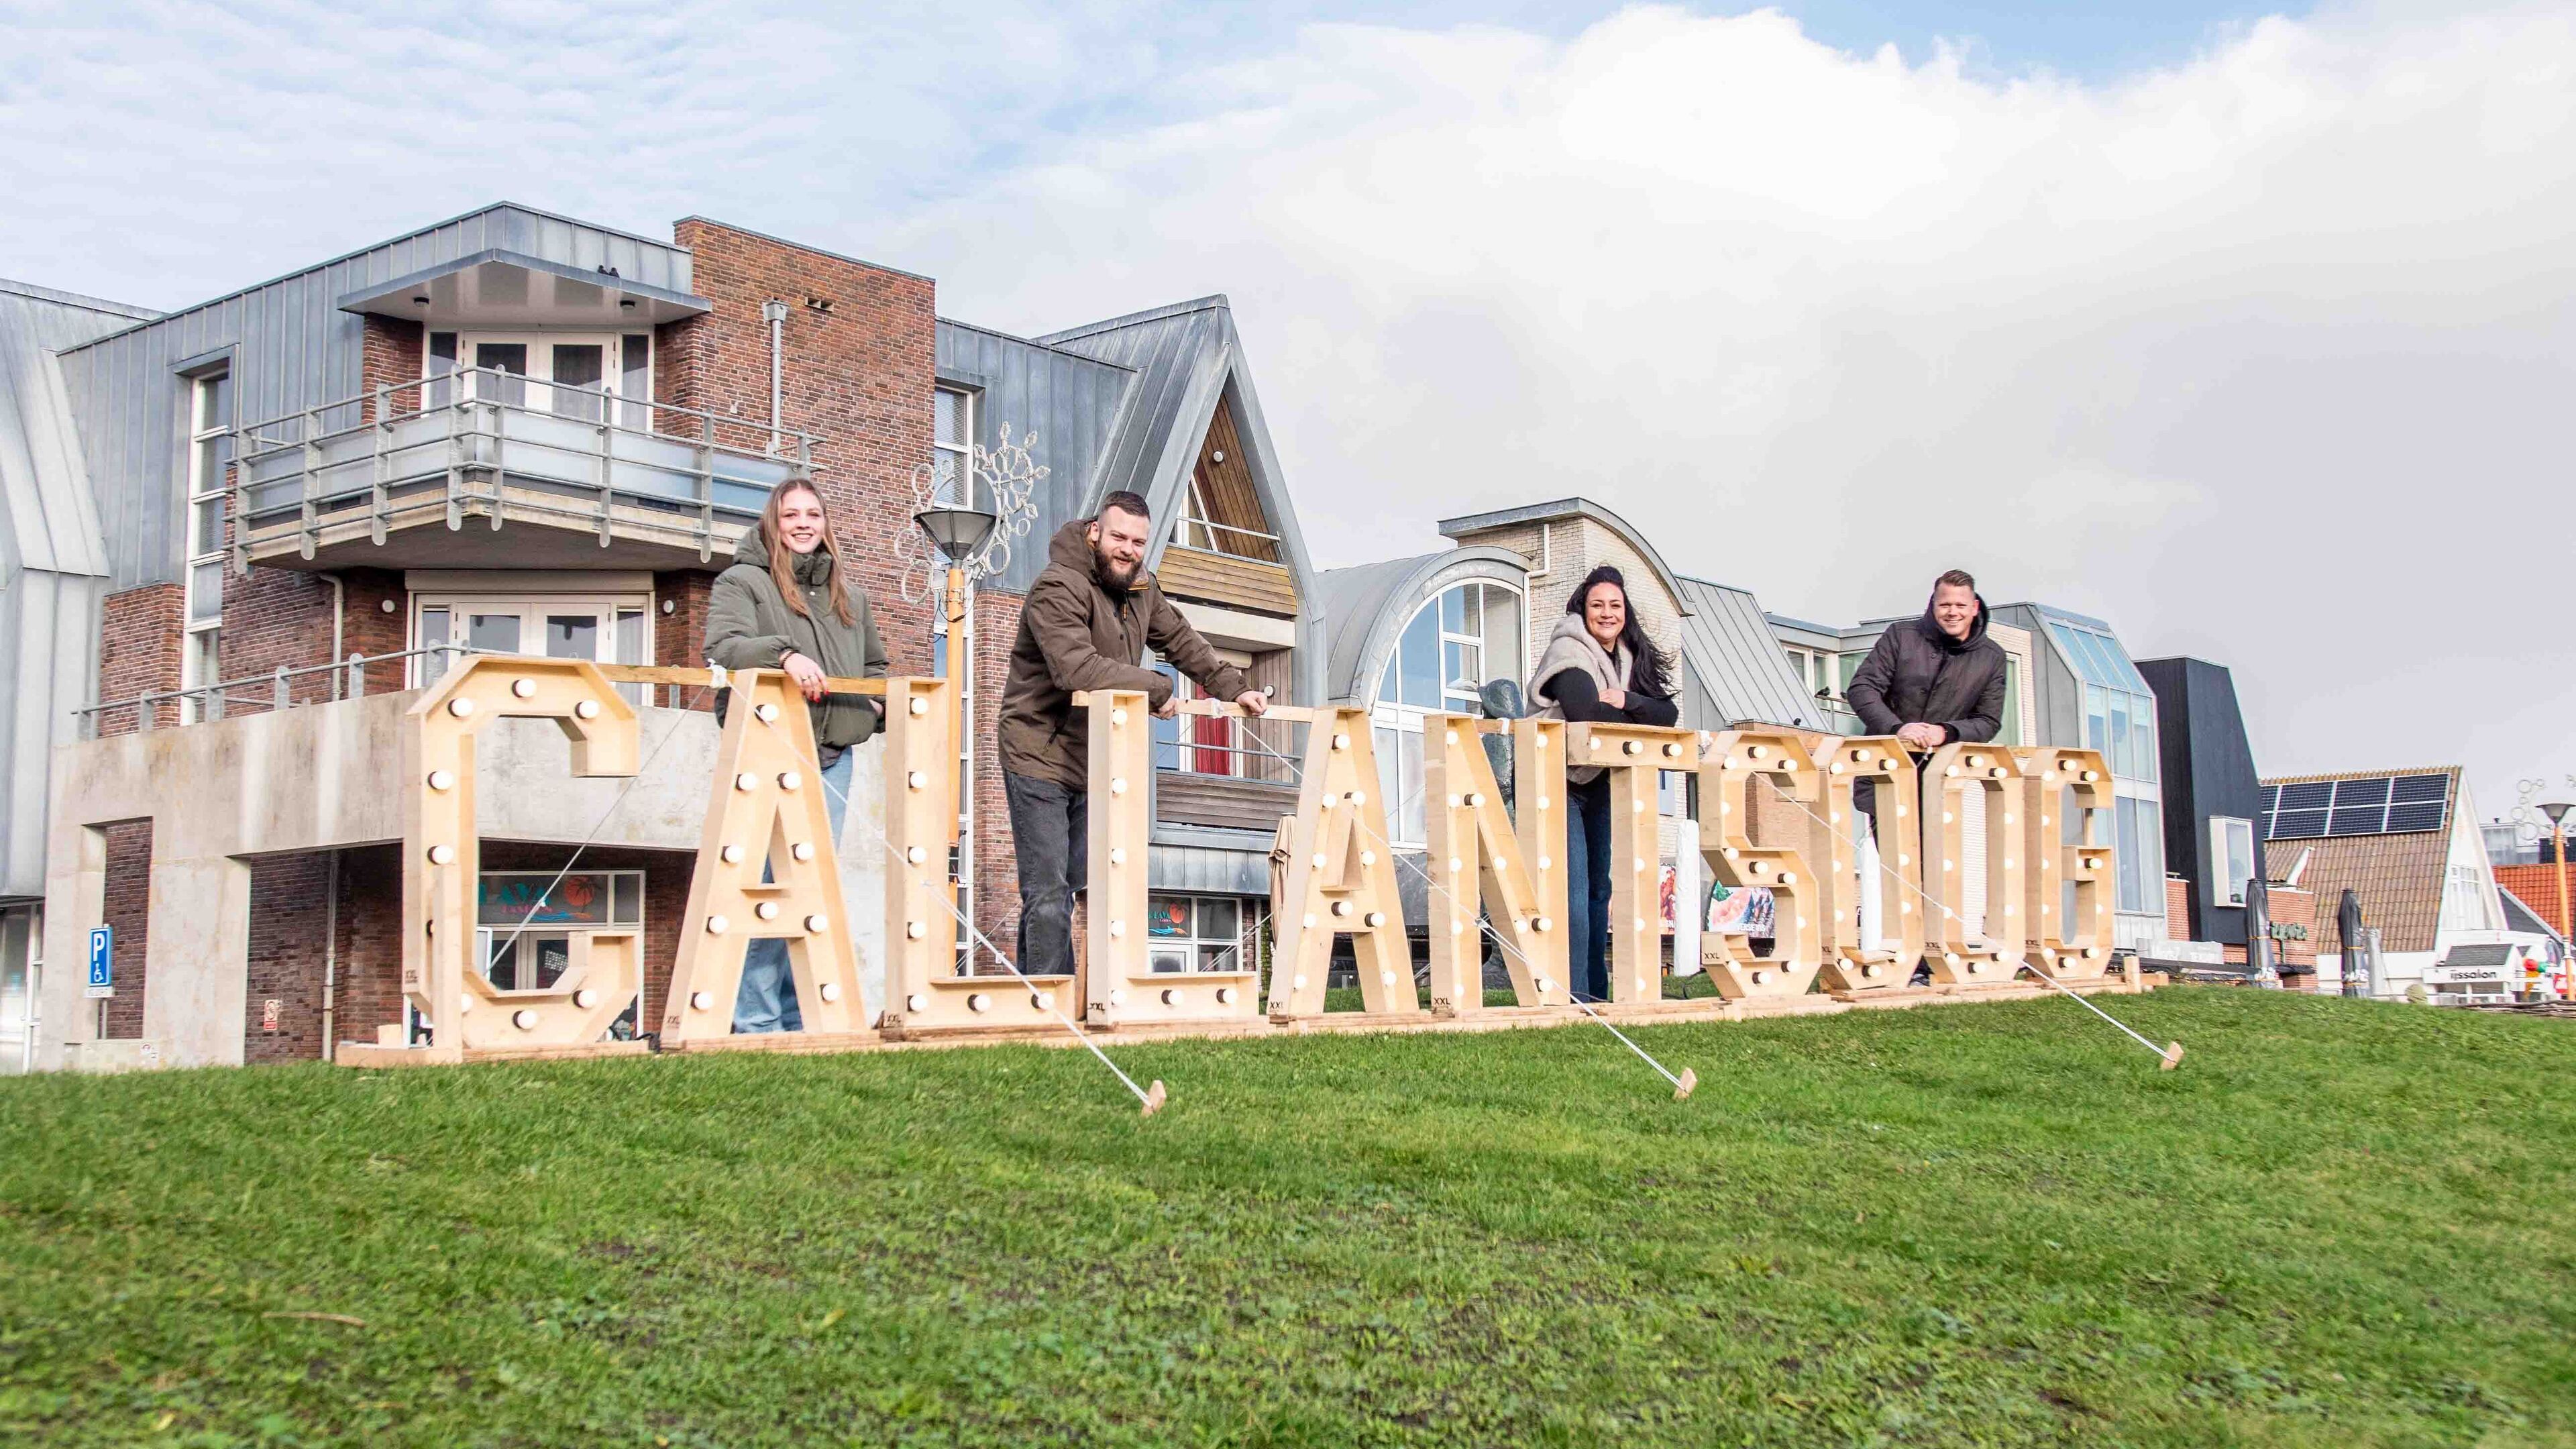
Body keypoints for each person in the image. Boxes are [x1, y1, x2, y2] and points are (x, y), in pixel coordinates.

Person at [997, 490, 1269, 977]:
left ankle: (1059, 998)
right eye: (1119, 536)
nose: (1128, 549)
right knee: (1048, 893)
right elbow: (1076, 669)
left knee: (1079, 888)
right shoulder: (1056, 587)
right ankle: (1047, 1008)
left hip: (1095, 756)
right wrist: (1154, 687)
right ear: (1096, 532)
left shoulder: (1142, 589)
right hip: (1038, 750)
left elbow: (1184, 641)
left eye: (1138, 542)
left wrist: (1236, 687)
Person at [704, 478, 888, 1032]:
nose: (804, 524)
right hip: (770, 750)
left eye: (813, 514)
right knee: (768, 888)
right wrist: (783, 654)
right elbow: (724, 646)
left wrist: (874, 708)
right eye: (791, 516)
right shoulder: (744, 582)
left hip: (835, 755)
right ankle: (755, 1021)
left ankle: (793, 1014)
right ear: (773, 523)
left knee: (810, 890)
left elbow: (875, 665)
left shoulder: (849, 597)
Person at [1844, 568, 2006, 982]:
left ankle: (1935, 957)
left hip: (1942, 783)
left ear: (1974, 607)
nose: (1951, 612)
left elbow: (1988, 721)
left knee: (1938, 868)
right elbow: (1861, 689)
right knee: (1901, 866)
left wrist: (1946, 732)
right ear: (1933, 605)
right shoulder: (1902, 637)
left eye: (1959, 605)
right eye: (1944, 604)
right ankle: (1911, 960)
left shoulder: (1991, 657)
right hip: (1888, 776)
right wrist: (1899, 728)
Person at [1528, 566, 1678, 1002]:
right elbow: (1587, 717)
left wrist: (1629, 701)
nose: (1607, 613)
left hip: (1600, 780)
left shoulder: (1629, 661)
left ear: (1626, 612)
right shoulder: (1568, 652)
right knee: (1573, 892)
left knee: (1600, 890)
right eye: (1598, 605)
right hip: (1556, 778)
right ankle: (1572, 994)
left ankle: (1595, 992)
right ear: (1583, 609)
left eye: (1615, 605)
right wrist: (1633, 715)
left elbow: (1666, 718)